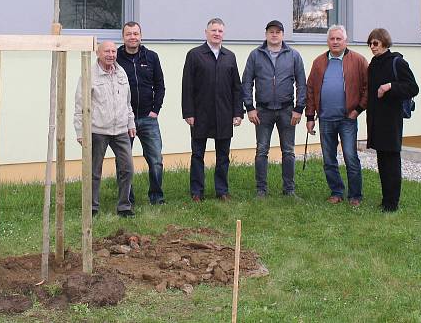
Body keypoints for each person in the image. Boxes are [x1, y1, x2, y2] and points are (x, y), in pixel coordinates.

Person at [241, 20, 306, 197]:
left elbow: (302, 83)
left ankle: (289, 190)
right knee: (261, 150)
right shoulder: (255, 55)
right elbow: (246, 82)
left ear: (283, 35)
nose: (274, 35)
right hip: (263, 111)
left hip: (287, 110)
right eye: (271, 32)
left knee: (289, 151)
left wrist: (299, 108)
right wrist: (250, 108)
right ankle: (261, 189)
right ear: (266, 34)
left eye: (278, 32)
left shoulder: (293, 55)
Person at [181, 18, 244, 202]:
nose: (217, 33)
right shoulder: (194, 55)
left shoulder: (229, 56)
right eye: (213, 30)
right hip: (201, 114)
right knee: (197, 155)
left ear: (223, 34)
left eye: (220, 31)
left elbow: (236, 88)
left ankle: (222, 191)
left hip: (224, 114)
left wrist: (238, 113)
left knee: (223, 156)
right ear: (206, 32)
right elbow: (187, 86)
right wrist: (188, 113)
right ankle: (197, 192)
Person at [305, 25, 368, 206]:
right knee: (329, 159)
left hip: (347, 119)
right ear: (327, 41)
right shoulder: (319, 62)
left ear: (345, 41)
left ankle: (355, 195)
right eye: (332, 39)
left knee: (350, 157)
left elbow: (367, 88)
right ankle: (336, 191)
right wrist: (310, 117)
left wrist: (358, 109)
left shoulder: (358, 60)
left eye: (338, 39)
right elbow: (310, 90)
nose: (335, 42)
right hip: (325, 118)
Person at [74, 40, 137, 217]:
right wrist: (80, 132)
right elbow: (80, 105)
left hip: (121, 130)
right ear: (98, 53)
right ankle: (92, 207)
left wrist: (130, 123)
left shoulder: (121, 73)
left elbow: (127, 101)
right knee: (94, 171)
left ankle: (124, 206)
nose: (111, 55)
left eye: (113, 51)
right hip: (98, 131)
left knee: (127, 168)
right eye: (107, 51)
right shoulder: (89, 75)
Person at [366, 27, 419, 212]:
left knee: (392, 161)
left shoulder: (397, 62)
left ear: (385, 43)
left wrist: (390, 86)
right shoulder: (374, 63)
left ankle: (392, 203)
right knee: (382, 160)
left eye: (375, 43)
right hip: (376, 120)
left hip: (391, 120)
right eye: (370, 44)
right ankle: (385, 199)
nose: (372, 47)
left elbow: (413, 88)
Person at [117, 21, 166, 205]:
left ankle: (156, 196)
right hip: (123, 119)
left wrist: (155, 110)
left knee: (155, 160)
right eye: (129, 34)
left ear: (141, 36)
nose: (132, 37)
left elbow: (160, 86)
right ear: (123, 37)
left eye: (135, 33)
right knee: (123, 162)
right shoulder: (116, 58)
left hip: (148, 118)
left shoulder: (151, 57)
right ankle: (126, 199)